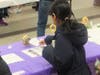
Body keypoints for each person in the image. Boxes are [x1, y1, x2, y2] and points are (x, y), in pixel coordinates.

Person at [40, 0, 91, 75]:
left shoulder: (62, 35)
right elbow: (68, 38)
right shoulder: (74, 28)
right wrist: (49, 39)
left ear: (54, 16)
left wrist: (46, 50)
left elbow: (60, 63)